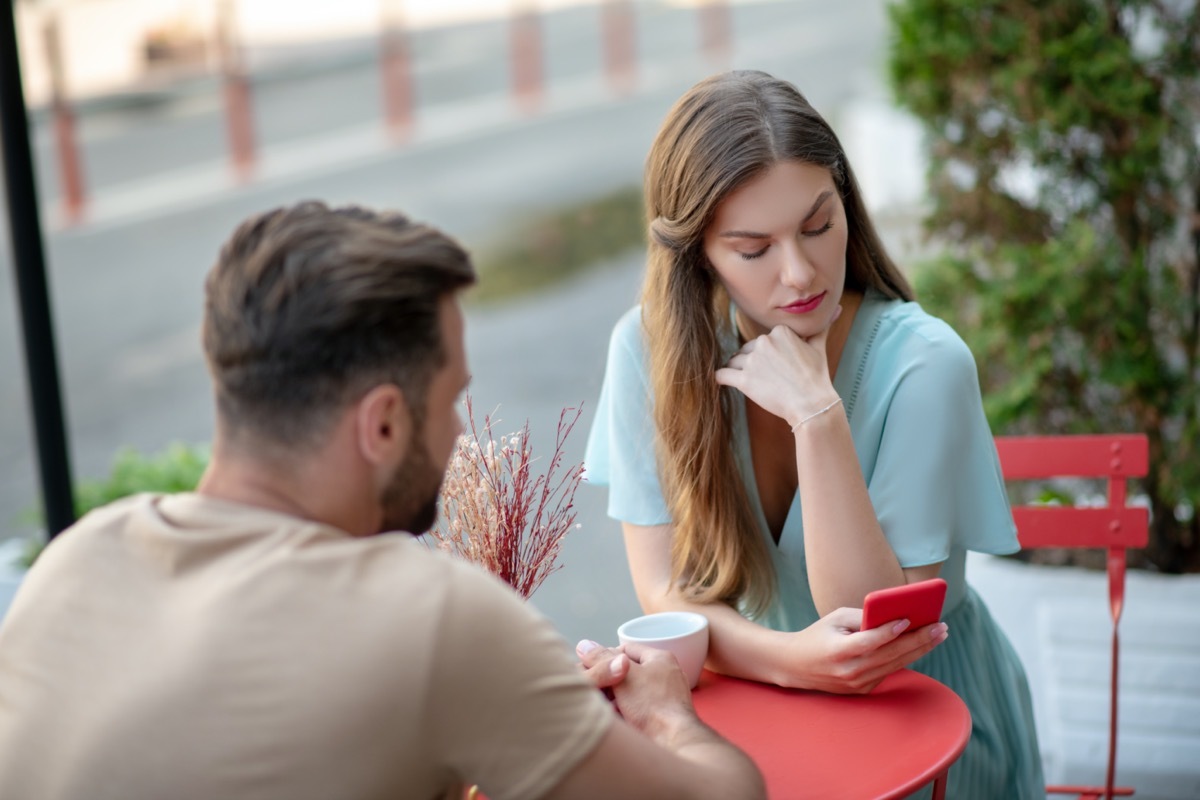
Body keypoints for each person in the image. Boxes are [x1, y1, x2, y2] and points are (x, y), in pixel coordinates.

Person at [0, 202, 764, 800]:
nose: (461, 429)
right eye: (452, 400)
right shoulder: (431, 618)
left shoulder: (71, 565)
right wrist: (666, 710)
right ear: (386, 424)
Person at [585, 70, 1044, 797]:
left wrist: (817, 416)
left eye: (818, 225)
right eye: (753, 248)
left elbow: (865, 626)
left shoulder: (926, 365)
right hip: (766, 718)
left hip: (927, 726)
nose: (800, 273)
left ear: (847, 208)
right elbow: (665, 589)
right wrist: (788, 661)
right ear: (698, 252)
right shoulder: (649, 350)